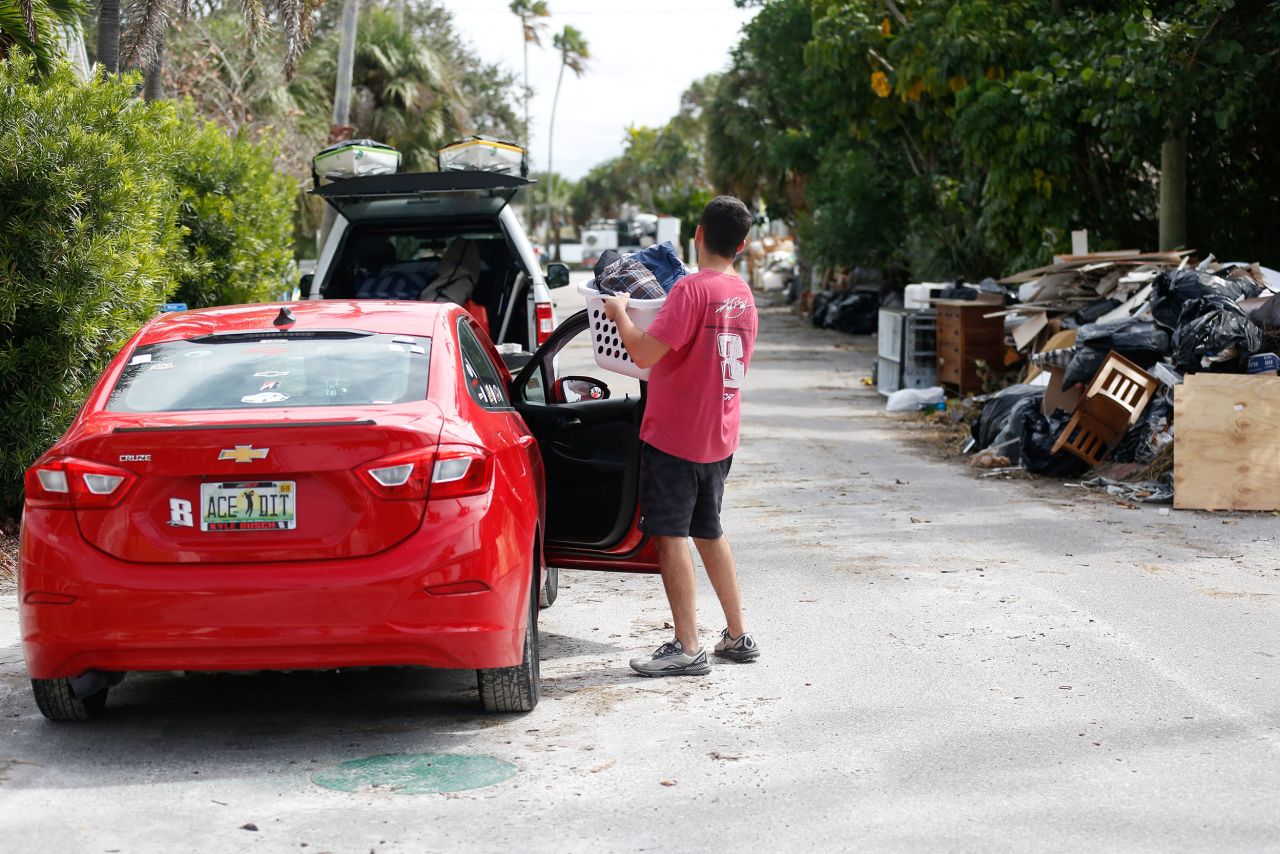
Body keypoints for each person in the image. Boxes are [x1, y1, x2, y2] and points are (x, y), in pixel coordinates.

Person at [601, 196, 760, 677]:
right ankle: (736, 634)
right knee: (708, 531)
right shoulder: (743, 294)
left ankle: (687, 646)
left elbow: (645, 353)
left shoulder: (691, 290)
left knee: (670, 536)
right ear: (743, 245)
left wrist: (619, 312)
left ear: (698, 234)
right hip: (718, 435)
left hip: (675, 436)